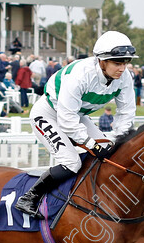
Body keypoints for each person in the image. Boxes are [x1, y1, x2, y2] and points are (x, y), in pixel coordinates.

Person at [15, 31, 137, 218]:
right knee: (71, 162)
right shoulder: (80, 75)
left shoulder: (124, 78)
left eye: (126, 62)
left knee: (110, 152)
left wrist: (120, 139)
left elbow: (126, 113)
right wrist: (91, 145)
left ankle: (95, 199)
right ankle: (30, 197)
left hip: (76, 115)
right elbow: (67, 120)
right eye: (117, 63)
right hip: (48, 114)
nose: (122, 68)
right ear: (101, 61)